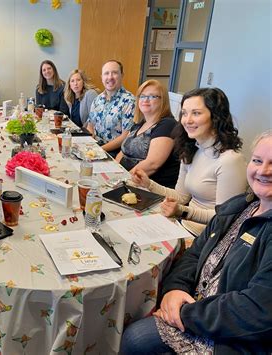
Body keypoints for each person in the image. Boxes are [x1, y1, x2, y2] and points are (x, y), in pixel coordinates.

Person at [121, 130, 272, 355]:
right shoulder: (240, 206)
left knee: (136, 338)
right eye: (257, 161)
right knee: (133, 333)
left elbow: (256, 310)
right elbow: (194, 254)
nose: (262, 171)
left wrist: (183, 313)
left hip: (230, 336)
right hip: (197, 309)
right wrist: (174, 289)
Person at [131, 87, 248, 236]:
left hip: (204, 238)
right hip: (182, 226)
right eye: (184, 113)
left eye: (196, 113)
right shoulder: (193, 148)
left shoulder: (230, 160)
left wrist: (183, 211)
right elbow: (181, 197)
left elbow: (225, 218)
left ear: (216, 117)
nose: (187, 120)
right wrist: (148, 184)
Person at [116, 79, 179, 188]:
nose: (145, 100)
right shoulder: (139, 124)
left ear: (162, 100)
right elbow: (123, 152)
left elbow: (152, 164)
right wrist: (114, 171)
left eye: (152, 96)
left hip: (148, 188)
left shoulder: (167, 124)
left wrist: (124, 180)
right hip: (125, 180)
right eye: (142, 96)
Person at [86, 59, 135, 156]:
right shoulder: (97, 99)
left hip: (114, 153)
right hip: (95, 147)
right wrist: (90, 144)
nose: (110, 77)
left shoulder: (130, 101)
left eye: (115, 73)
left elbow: (125, 136)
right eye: (106, 73)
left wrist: (99, 150)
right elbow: (90, 126)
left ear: (122, 75)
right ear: (102, 77)